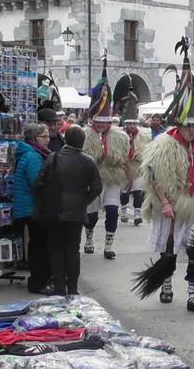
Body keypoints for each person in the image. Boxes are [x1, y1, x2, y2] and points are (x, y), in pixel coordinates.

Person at [141, 38, 194, 312]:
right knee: (169, 249)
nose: (193, 130)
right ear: (180, 123)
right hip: (173, 204)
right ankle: (166, 283)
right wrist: (165, 202)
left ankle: (193, 294)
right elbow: (154, 175)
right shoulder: (165, 144)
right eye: (189, 126)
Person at [39, 126, 102, 295]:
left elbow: (40, 182)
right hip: (77, 213)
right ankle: (72, 288)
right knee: (73, 250)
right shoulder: (88, 161)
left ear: (66, 140)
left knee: (56, 250)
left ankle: (59, 287)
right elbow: (97, 187)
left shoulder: (54, 157)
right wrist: (84, 200)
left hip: (55, 211)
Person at [81, 59, 132, 259]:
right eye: (98, 122)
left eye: (105, 122)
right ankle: (89, 237)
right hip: (92, 179)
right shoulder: (85, 135)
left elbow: (125, 160)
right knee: (92, 215)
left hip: (112, 177)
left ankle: (109, 245)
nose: (102, 126)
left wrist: (128, 179)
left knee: (112, 211)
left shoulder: (120, 137)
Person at [13, 123, 51, 294]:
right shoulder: (33, 156)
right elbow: (37, 182)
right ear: (35, 138)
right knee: (39, 245)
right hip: (32, 207)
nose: (48, 140)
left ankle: (38, 281)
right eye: (44, 136)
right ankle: (38, 282)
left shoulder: (30, 153)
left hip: (29, 206)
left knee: (37, 244)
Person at [120, 93, 152, 226]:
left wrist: (138, 154)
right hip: (123, 167)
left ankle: (137, 213)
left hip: (137, 167)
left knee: (138, 191)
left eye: (134, 124)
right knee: (125, 190)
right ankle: (123, 210)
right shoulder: (120, 136)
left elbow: (147, 150)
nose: (132, 126)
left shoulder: (144, 135)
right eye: (130, 124)